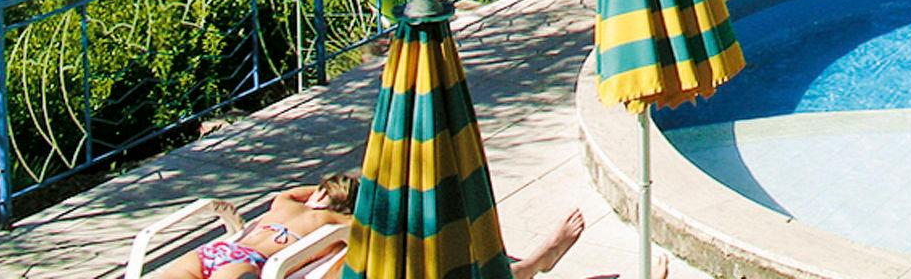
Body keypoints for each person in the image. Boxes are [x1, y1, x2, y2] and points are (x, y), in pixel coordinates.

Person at [154, 177, 587, 279]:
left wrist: (336, 198)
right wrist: (330, 191)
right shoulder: (290, 204)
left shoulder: (342, 224)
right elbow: (299, 191)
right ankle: (530, 266)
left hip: (250, 262)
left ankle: (531, 265)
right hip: (224, 253)